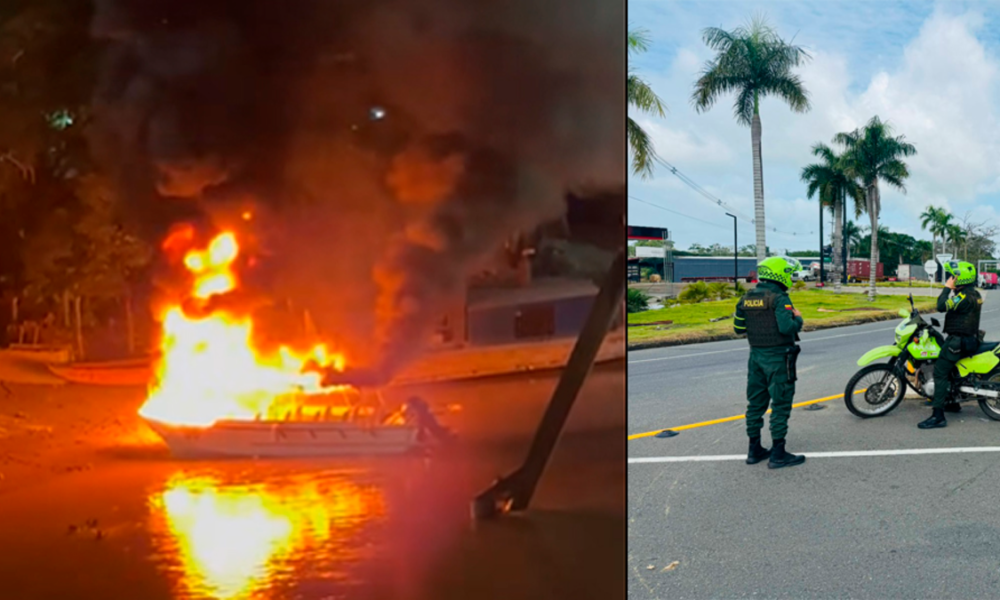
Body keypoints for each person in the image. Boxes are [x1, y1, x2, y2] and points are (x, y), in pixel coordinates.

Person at [733, 257, 806, 469]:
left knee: (755, 403)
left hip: (755, 357)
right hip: (779, 357)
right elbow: (787, 327)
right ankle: (778, 453)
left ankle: (754, 449)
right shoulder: (780, 298)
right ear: (780, 273)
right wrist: (798, 319)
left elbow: (738, 328)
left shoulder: (746, 297)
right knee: (781, 403)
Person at [919, 260, 983, 430]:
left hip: (959, 341)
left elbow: (941, 306)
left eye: (953, 276)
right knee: (951, 371)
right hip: (969, 339)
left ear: (960, 278)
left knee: (940, 372)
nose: (950, 278)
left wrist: (947, 287)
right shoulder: (975, 294)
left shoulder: (963, 297)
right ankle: (952, 402)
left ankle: (938, 416)